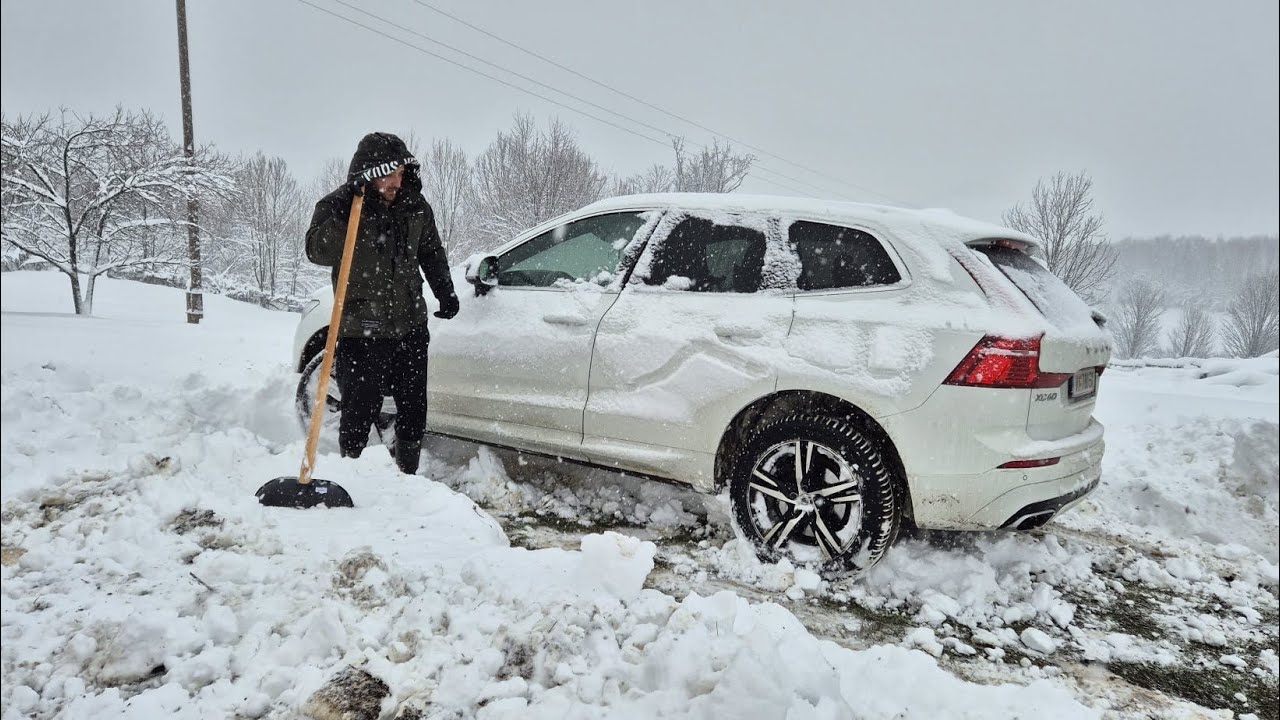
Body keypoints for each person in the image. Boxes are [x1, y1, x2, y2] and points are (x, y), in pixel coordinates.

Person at [305, 132, 459, 474]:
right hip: (361, 331)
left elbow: (431, 251)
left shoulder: (415, 206)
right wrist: (346, 211)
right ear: (370, 172)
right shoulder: (339, 206)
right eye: (390, 174)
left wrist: (445, 290)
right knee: (359, 412)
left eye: (401, 174)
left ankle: (407, 476)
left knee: (414, 410)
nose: (397, 182)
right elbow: (317, 251)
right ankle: (355, 476)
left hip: (411, 326)